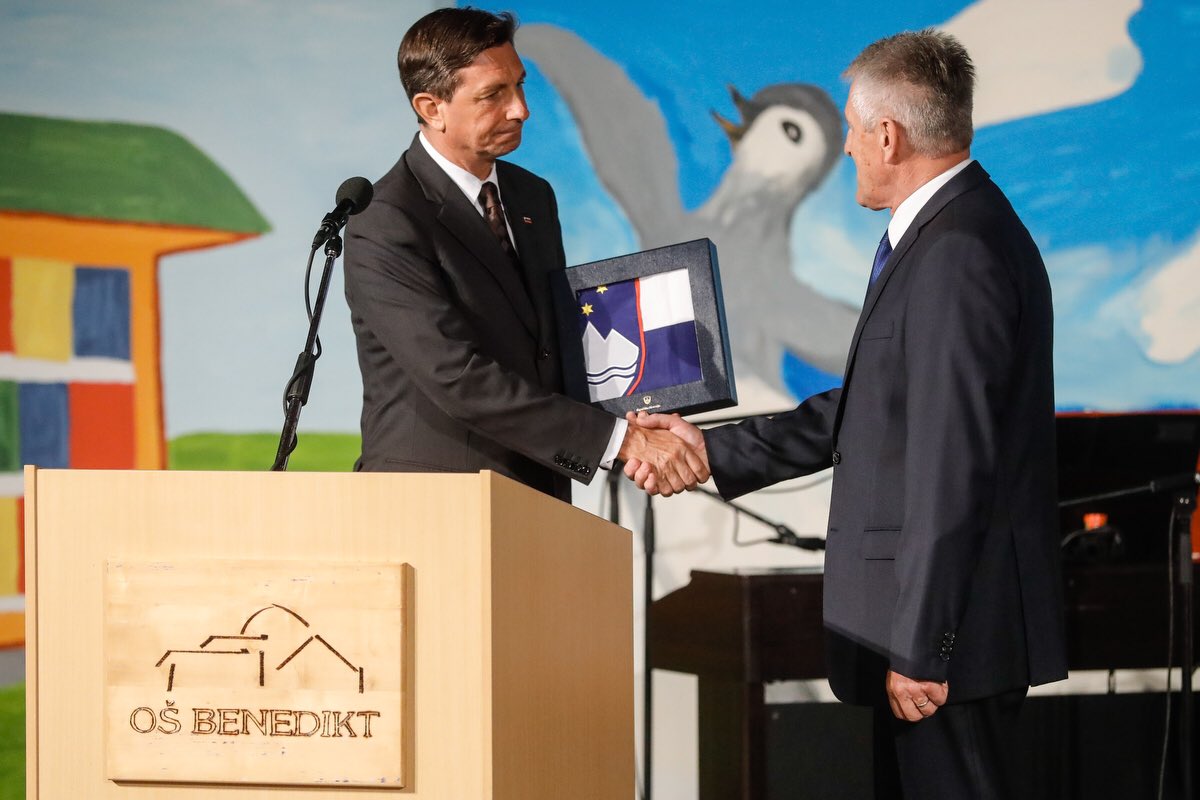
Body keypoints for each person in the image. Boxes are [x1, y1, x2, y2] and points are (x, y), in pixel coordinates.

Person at [626, 29, 1067, 798]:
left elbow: (950, 464)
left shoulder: (957, 251)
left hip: (946, 649)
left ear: (889, 136)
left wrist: (923, 645)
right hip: (935, 639)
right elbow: (874, 409)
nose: (851, 149)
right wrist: (713, 449)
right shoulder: (945, 234)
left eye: (855, 130)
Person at [343, 7, 705, 502]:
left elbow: (551, 343)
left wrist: (643, 398)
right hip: (434, 502)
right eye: (493, 94)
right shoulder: (386, 220)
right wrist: (622, 440)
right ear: (431, 107)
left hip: (537, 492)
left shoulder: (531, 195)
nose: (520, 110)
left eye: (520, 85)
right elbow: (456, 377)